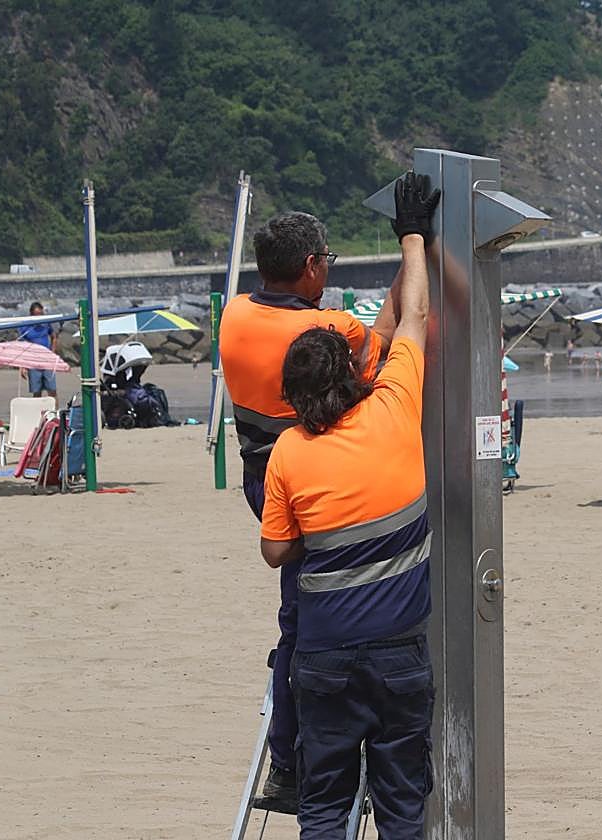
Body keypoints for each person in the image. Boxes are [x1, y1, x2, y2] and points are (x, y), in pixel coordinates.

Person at [219, 198, 422, 808]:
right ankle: (297, 757)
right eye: (327, 261)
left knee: (301, 606)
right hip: (316, 469)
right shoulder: (327, 331)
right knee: (311, 619)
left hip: (264, 476)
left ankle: (291, 755)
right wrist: (415, 248)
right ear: (310, 266)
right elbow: (390, 331)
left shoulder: (231, 316)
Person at [260, 171, 437, 837]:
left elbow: (274, 549)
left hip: (325, 657)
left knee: (325, 807)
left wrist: (318, 533)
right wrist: (412, 236)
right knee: (400, 806)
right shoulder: (392, 407)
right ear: (354, 373)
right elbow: (410, 321)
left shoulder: (289, 451)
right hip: (397, 655)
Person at [18, 302, 58, 399]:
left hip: (47, 360)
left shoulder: (46, 324)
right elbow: (21, 346)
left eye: (41, 314)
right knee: (37, 392)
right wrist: (22, 366)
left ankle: (54, 412)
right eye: (37, 315)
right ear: (31, 314)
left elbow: (54, 337)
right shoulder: (25, 326)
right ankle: (38, 412)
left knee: (52, 391)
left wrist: (52, 353)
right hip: (33, 361)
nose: (39, 317)